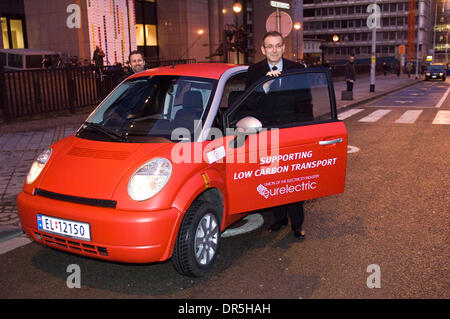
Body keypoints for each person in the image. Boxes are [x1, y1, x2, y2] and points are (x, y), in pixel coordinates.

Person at [245, 31, 306, 240]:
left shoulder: (297, 70)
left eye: (277, 45)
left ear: (283, 47)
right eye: (269, 46)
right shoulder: (254, 72)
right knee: (274, 179)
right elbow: (248, 105)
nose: (274, 50)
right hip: (267, 134)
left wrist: (309, 131)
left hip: (292, 133)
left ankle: (297, 225)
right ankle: (279, 220)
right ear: (263, 49)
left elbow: (305, 103)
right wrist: (263, 87)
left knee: (294, 179)